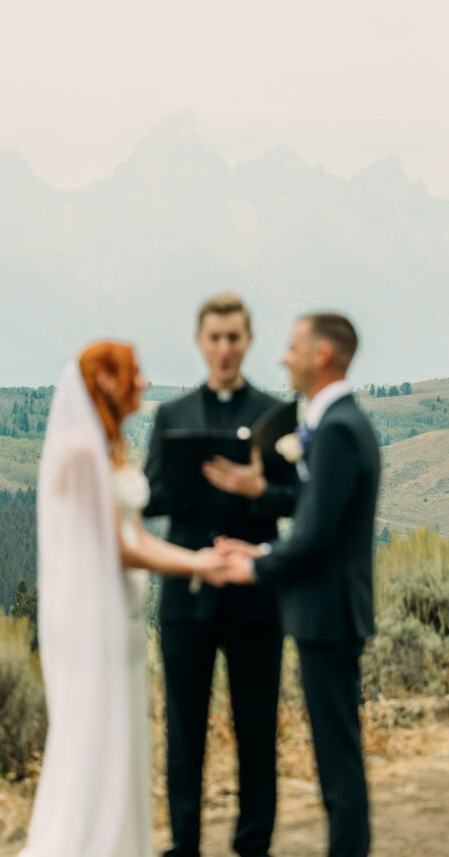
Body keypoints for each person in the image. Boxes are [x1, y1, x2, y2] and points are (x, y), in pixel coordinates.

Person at [20, 342, 227, 857]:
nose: (145, 382)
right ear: (108, 382)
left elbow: (132, 536)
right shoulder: (82, 451)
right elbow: (119, 550)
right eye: (135, 374)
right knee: (97, 738)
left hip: (121, 612)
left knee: (120, 735)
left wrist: (195, 557)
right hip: (99, 617)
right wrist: (198, 563)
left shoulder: (103, 447)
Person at [217, 313, 380, 857]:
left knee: (338, 768)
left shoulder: (335, 430)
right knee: (337, 761)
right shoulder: (340, 424)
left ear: (322, 356)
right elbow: (312, 511)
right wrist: (262, 497)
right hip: (329, 612)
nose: (284, 358)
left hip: (328, 613)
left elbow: (313, 537)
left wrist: (256, 565)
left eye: (292, 348)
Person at [144, 293, 299, 857]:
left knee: (256, 727)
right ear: (200, 342)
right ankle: (184, 845)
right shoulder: (172, 415)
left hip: (256, 593)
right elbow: (150, 497)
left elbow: (295, 500)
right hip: (187, 594)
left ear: (248, 340)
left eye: (234, 337)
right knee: (184, 729)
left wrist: (254, 490)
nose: (225, 348)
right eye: (215, 337)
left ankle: (252, 844)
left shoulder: (275, 415)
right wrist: (188, 482)